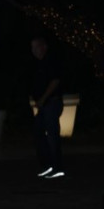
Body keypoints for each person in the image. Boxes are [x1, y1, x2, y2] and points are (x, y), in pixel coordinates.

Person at [30, 35, 65, 179]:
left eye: (36, 47)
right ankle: (48, 165)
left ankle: (57, 167)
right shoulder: (38, 64)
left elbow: (55, 81)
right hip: (44, 105)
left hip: (51, 103)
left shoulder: (50, 61)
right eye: (32, 48)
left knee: (52, 135)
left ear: (44, 47)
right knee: (38, 132)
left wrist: (43, 99)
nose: (33, 50)